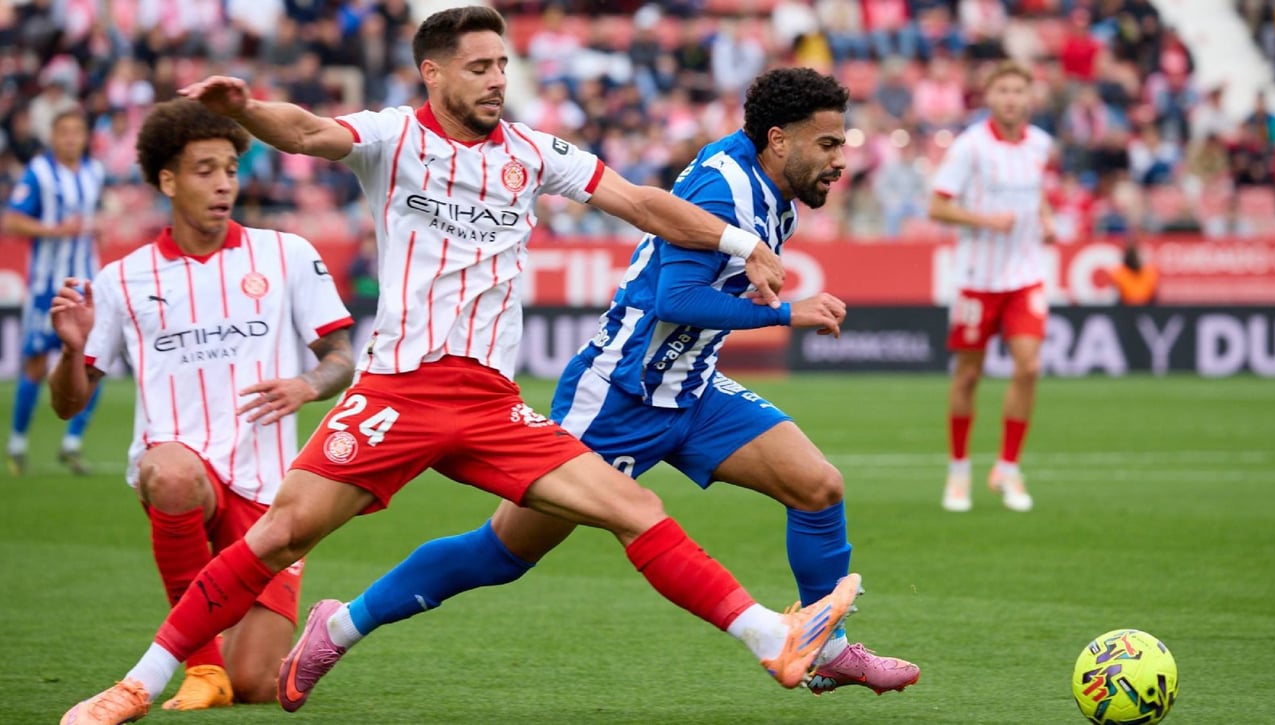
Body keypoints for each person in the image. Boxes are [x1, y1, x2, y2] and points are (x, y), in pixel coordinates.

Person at [61, 8, 857, 724]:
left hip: (490, 403)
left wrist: (740, 243)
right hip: (397, 393)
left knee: (633, 508)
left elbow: (643, 203)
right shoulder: (391, 138)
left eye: (504, 65)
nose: (497, 80)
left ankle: (771, 641)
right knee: (279, 534)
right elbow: (307, 133)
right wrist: (243, 111)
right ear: (432, 72)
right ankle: (137, 682)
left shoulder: (533, 152)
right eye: (479, 66)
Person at [274, 67, 922, 710]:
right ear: (780, 140)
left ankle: (828, 648)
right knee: (502, 551)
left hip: (691, 389)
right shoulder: (726, 192)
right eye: (830, 144)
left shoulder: (769, 179)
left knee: (817, 486)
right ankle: (337, 627)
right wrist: (787, 313)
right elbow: (678, 296)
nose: (842, 160)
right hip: (617, 395)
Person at [49, 99, 356, 714]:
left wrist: (307, 384)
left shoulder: (286, 254)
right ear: (167, 179)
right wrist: (71, 352)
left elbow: (341, 357)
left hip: (272, 494)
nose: (223, 184)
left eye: (231, 170)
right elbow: (69, 402)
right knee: (169, 471)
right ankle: (201, 666)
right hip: (185, 470)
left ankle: (311, 636)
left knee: (255, 685)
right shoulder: (121, 281)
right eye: (205, 170)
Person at [928, 60, 1055, 514]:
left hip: (1024, 275)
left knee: (1029, 366)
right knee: (968, 376)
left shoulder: (1041, 144)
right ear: (989, 96)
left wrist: (1046, 218)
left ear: (1029, 97)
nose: (1011, 99)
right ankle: (959, 470)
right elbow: (938, 207)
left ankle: (1007, 466)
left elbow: (1035, 191)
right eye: (1002, 90)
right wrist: (985, 220)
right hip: (977, 279)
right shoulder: (970, 148)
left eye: (1018, 91)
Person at [3, 107, 104, 475]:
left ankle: (72, 444)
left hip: (87, 285)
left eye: (77, 132)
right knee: (34, 364)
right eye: (64, 133)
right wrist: (55, 231)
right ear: (54, 137)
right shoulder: (40, 173)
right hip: (47, 285)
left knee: (97, 360)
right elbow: (11, 219)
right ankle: (17, 444)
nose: (71, 139)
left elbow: (96, 217)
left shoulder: (95, 172)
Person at [1107, 238, 1158, 305]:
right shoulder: (1119, 273)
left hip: (1146, 308)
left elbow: (1151, 296)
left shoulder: (1149, 272)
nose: (1134, 257)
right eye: (1132, 254)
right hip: (1125, 309)